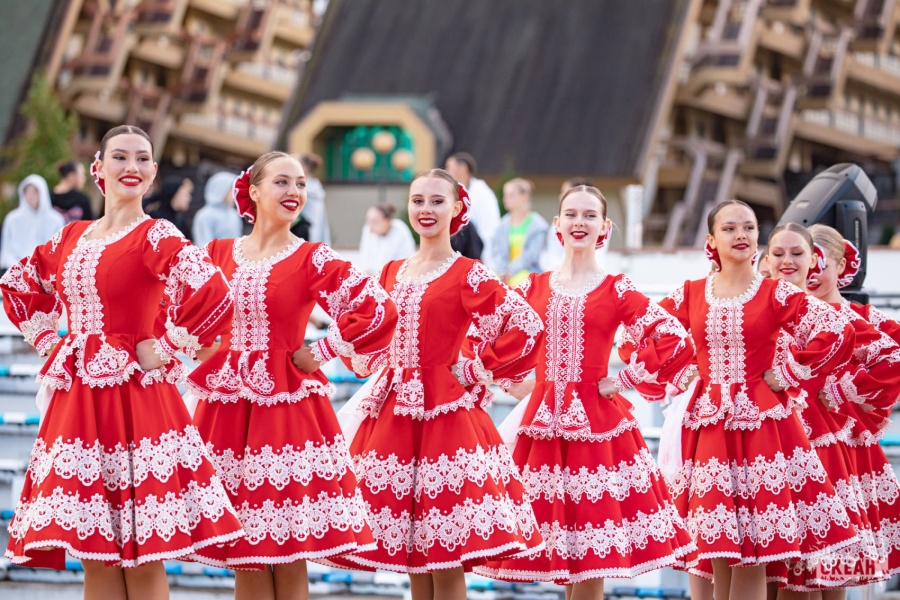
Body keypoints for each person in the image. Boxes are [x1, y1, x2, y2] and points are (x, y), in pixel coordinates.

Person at [0, 125, 244, 600]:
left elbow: (215, 293)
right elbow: (17, 284)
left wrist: (166, 347)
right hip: (78, 406)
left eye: (142, 158)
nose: (131, 166)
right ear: (98, 168)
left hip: (136, 403)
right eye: (120, 156)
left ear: (152, 172)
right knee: (97, 558)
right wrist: (50, 343)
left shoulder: (156, 234)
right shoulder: (71, 236)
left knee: (142, 558)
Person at [186, 151, 398, 599]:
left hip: (287, 415)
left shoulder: (311, 257)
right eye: (282, 182)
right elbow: (176, 308)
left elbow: (377, 308)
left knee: (286, 551)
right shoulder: (216, 254)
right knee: (244, 553)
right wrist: (193, 347)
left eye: (300, 183)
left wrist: (323, 350)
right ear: (253, 191)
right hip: (228, 413)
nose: (294, 192)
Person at [328, 168, 543, 600]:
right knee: (413, 558)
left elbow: (526, 325)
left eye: (437, 201)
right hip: (392, 416)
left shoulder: (468, 273)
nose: (426, 209)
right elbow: (367, 330)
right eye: (418, 200)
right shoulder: (390, 271)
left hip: (446, 419)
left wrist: (473, 370)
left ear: (458, 208)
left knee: (445, 559)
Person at [474, 185, 696, 598]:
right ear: (557, 225)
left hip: (597, 425)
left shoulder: (616, 287)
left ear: (605, 227)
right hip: (541, 426)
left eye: (590, 215)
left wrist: (624, 380)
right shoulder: (533, 287)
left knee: (592, 552)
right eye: (572, 214)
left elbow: (672, 337)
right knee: (560, 547)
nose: (580, 222)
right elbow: (486, 333)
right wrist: (509, 381)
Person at [657, 200, 859, 599]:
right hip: (710, 430)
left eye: (749, 228)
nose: (741, 235)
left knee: (753, 554)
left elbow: (837, 331)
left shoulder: (775, 292)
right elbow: (642, 335)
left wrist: (788, 374)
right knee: (717, 552)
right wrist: (684, 371)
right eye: (730, 228)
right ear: (711, 240)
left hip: (763, 428)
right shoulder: (691, 293)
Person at [487, 178, 548, 286]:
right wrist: (503, 271)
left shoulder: (538, 225)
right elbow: (497, 252)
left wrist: (510, 271)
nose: (506, 199)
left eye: (511, 195)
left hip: (528, 273)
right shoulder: (502, 225)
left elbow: (531, 255)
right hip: (503, 272)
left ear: (524, 197)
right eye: (505, 195)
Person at [1, 174, 65, 269]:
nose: (31, 196)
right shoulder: (12, 219)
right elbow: (7, 250)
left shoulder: (55, 219)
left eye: (35, 192)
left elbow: (58, 249)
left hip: (45, 270)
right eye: (28, 192)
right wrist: (19, 268)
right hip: (16, 270)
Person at [445, 152, 500, 258]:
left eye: (449, 167)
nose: (447, 172)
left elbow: (490, 228)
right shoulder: (452, 193)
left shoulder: (483, 194)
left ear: (463, 168)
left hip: (476, 251)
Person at [539, 178, 593, 272]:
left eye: (564, 192)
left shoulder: (595, 222)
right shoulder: (558, 221)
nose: (560, 196)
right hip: (558, 272)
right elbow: (553, 252)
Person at [358, 203, 416, 275]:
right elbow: (365, 255)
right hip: (372, 276)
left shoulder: (400, 230)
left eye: (374, 222)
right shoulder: (367, 230)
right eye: (368, 221)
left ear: (387, 221)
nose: (370, 226)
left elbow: (406, 257)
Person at [192, 171, 243, 247]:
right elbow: (203, 245)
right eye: (232, 190)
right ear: (221, 189)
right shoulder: (205, 215)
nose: (235, 194)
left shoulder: (234, 214)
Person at [298, 153, 330, 244]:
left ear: (304, 167)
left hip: (304, 232)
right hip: (315, 233)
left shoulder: (304, 189)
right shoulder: (316, 187)